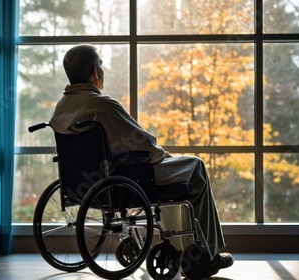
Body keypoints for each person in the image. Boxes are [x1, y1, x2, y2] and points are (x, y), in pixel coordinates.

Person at [50, 44, 233, 277]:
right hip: (126, 179)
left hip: (85, 185)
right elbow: (141, 142)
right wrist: (160, 154)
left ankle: (181, 247)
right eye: (102, 66)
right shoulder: (103, 105)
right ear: (96, 72)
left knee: (177, 174)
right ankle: (209, 253)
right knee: (195, 166)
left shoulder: (61, 107)